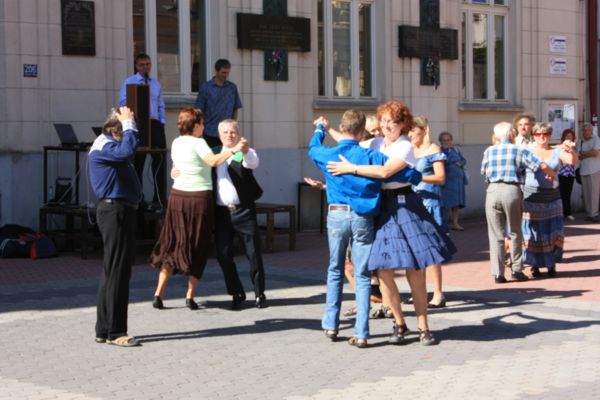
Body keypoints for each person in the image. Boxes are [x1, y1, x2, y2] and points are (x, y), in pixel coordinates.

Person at [327, 100, 456, 346]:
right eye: (384, 121)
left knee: (414, 270)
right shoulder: (375, 143)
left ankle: (423, 327)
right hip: (382, 207)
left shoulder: (405, 147)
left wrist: (351, 169)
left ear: (402, 124)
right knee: (384, 271)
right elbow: (349, 143)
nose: (387, 126)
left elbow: (385, 172)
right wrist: (327, 129)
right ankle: (399, 323)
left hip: (406, 206)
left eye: (393, 122)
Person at [308, 110, 422, 348]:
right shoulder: (372, 155)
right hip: (363, 217)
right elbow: (406, 173)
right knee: (362, 274)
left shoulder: (328, 154)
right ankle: (361, 332)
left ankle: (331, 324)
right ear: (363, 132)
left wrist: (320, 128)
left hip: (337, 214)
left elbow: (313, 147)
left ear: (342, 127)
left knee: (335, 269)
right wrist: (416, 173)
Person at [149, 108, 247, 310]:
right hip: (198, 198)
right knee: (197, 244)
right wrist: (234, 149)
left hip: (177, 198)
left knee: (172, 243)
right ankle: (189, 296)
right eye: (201, 123)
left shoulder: (176, 141)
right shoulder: (198, 142)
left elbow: (175, 168)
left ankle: (158, 293)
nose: (204, 126)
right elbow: (212, 161)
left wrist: (174, 173)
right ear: (195, 125)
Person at [88, 106, 141, 347]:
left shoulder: (110, 145)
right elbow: (127, 152)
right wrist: (128, 124)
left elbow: (129, 148)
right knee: (117, 271)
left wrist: (130, 126)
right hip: (115, 211)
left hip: (120, 209)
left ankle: (103, 328)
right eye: (123, 131)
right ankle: (116, 331)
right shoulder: (105, 146)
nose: (128, 134)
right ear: (112, 130)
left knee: (113, 270)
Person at [480, 122, 556, 284]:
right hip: (511, 190)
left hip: (492, 191)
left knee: (496, 235)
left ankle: (498, 274)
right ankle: (516, 270)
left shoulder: (489, 150)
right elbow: (540, 165)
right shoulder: (519, 150)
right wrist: (552, 175)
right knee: (515, 232)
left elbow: (484, 173)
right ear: (510, 135)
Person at [213, 119, 267, 310]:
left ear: (239, 134)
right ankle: (236, 291)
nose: (230, 135)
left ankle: (259, 293)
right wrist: (175, 172)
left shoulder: (245, 152)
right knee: (223, 254)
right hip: (221, 214)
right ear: (220, 135)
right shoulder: (213, 154)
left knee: (253, 254)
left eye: (233, 132)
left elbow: (252, 162)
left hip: (243, 211)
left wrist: (243, 150)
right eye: (226, 132)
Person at [522, 123, 577, 277]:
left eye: (545, 134)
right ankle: (535, 265)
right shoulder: (528, 151)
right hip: (532, 197)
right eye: (539, 134)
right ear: (534, 136)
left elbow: (572, 161)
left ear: (549, 135)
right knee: (534, 233)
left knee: (553, 231)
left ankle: (551, 264)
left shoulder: (556, 151)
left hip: (552, 198)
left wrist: (570, 149)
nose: (542, 137)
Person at [119, 53, 167, 209]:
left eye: (148, 64)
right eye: (142, 65)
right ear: (136, 66)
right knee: (138, 162)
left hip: (154, 125)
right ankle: (138, 198)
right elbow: (123, 103)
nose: (146, 67)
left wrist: (162, 122)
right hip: (139, 125)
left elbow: (160, 104)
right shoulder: (129, 82)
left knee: (159, 161)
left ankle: (159, 198)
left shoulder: (156, 84)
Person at [409, 116, 447, 309]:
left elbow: (441, 177)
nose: (409, 135)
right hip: (412, 202)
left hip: (430, 202)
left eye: (413, 131)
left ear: (424, 130)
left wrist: (418, 176)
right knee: (417, 249)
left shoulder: (434, 150)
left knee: (431, 249)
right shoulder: (410, 150)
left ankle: (438, 293)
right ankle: (420, 289)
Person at [194, 59, 242, 148]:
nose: (226, 75)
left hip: (227, 133)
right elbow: (198, 109)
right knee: (211, 160)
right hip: (209, 132)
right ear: (216, 71)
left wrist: (233, 126)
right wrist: (200, 129)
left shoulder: (232, 88)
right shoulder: (206, 87)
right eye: (223, 73)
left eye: (228, 73)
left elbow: (235, 108)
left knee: (227, 160)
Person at [439, 131, 468, 230]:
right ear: (441, 141)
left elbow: (464, 160)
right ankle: (444, 224)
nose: (447, 142)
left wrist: (461, 163)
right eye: (445, 140)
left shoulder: (456, 150)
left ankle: (456, 223)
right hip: (447, 182)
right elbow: (442, 162)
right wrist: (446, 152)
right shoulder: (441, 151)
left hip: (458, 181)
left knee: (456, 204)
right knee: (447, 203)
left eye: (449, 140)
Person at [577, 123, 600, 222]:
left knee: (594, 193)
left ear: (591, 131)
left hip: (594, 169)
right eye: (585, 130)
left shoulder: (596, 139)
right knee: (586, 193)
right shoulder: (580, 141)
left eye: (588, 130)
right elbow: (578, 156)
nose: (586, 132)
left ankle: (594, 214)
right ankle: (589, 213)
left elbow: (595, 153)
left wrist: (584, 154)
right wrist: (589, 153)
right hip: (583, 169)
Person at [558, 129, 577, 221]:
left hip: (570, 174)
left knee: (568, 194)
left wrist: (571, 150)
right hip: (561, 173)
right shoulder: (560, 148)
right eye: (567, 136)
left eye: (570, 136)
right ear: (563, 138)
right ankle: (559, 213)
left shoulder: (573, 148)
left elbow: (574, 162)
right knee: (560, 194)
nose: (569, 138)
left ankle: (568, 213)